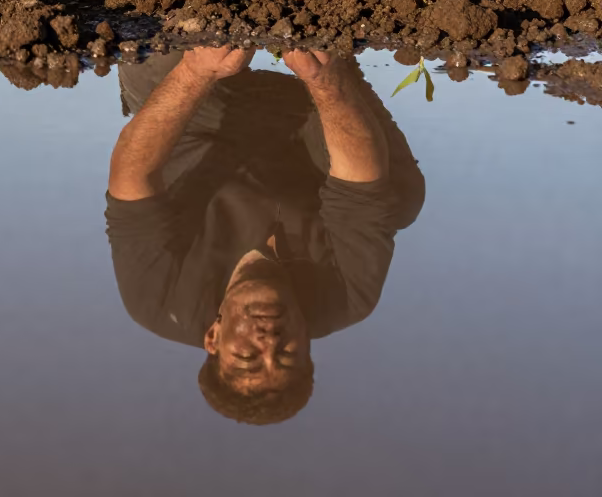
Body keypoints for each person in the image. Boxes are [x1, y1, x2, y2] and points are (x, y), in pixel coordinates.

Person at [105, 47, 424, 424]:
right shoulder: (348, 297)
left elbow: (131, 180)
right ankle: (332, 56)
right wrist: (323, 78)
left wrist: (195, 72)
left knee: (157, 48)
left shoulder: (160, 304)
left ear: (214, 339)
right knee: (396, 201)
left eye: (247, 357)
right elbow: (360, 186)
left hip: (200, 120)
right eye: (288, 356)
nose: (269, 342)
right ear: (307, 345)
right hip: (317, 124)